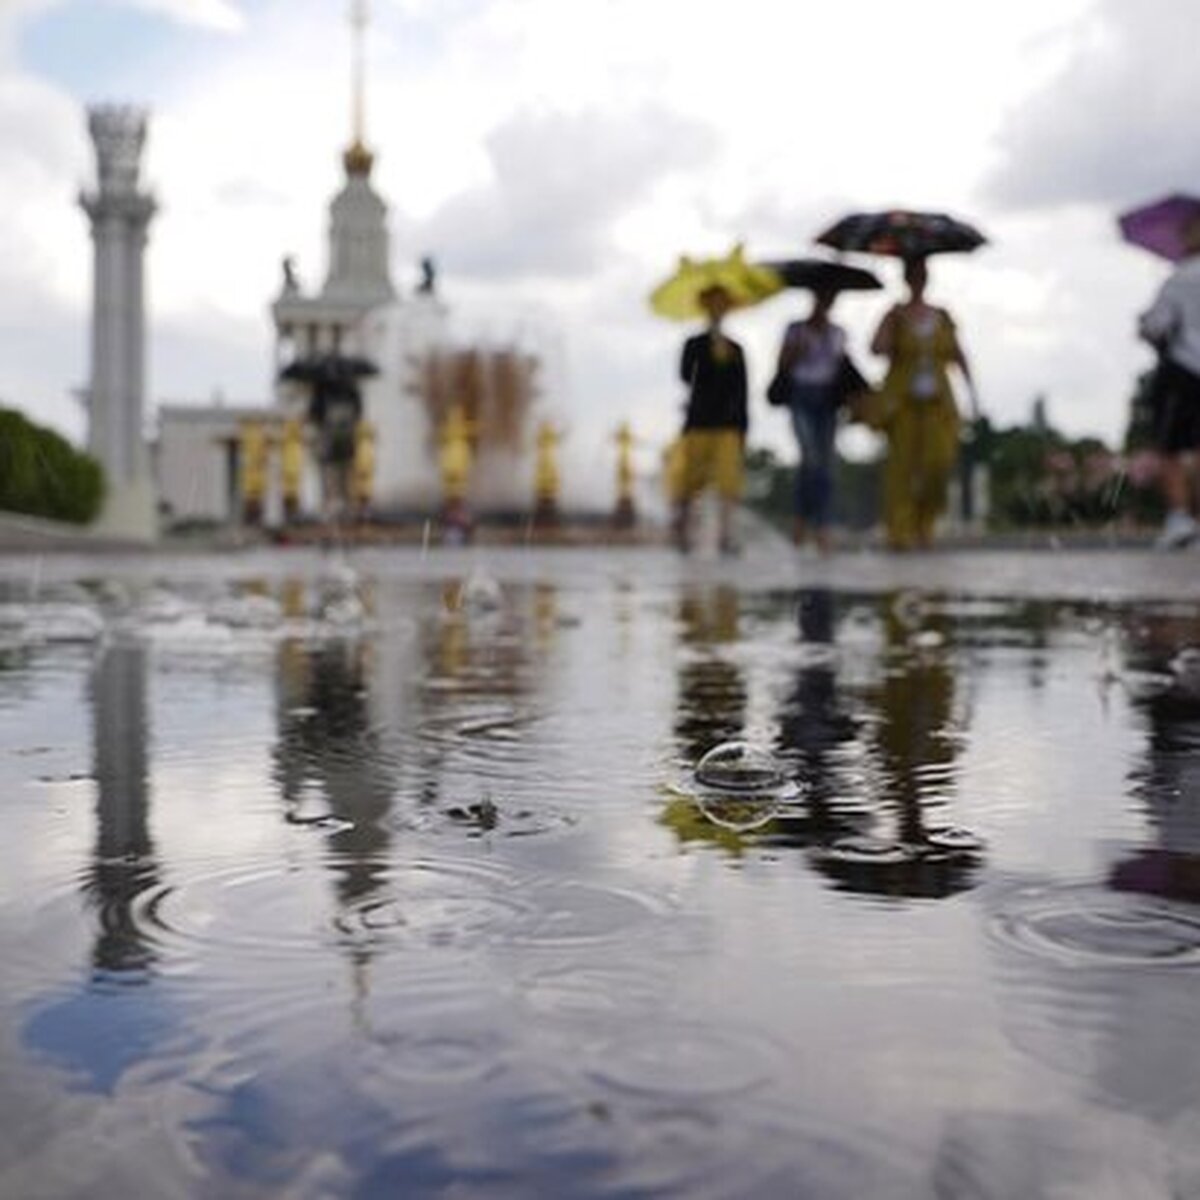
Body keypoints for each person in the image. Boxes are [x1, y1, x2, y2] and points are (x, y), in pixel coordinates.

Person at [869, 257, 976, 550]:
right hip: (902, 404)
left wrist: (972, 392)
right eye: (914, 274)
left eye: (922, 274)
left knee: (938, 466)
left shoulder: (942, 315)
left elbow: (958, 354)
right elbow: (875, 348)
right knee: (901, 469)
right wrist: (890, 330)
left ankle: (925, 526)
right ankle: (899, 532)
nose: (918, 279)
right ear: (906, 278)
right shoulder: (895, 313)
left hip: (938, 403)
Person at [1138, 213, 1200, 548]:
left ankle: (1179, 517)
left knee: (1171, 450)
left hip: (1184, 371)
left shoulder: (1179, 279)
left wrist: (1144, 323)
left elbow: (1156, 327)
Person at [674, 284, 748, 555]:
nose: (718, 309)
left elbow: (742, 391)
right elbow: (684, 376)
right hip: (699, 422)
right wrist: (709, 348)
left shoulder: (736, 349)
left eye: (722, 304)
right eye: (713, 304)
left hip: (727, 425)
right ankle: (683, 535)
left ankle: (726, 537)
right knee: (690, 483)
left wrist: (742, 429)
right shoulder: (694, 344)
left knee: (729, 483)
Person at [775, 286, 848, 552]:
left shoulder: (838, 333)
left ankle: (817, 526)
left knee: (825, 464)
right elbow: (782, 364)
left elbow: (842, 371)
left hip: (827, 401)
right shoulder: (795, 329)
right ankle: (807, 525)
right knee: (810, 458)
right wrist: (798, 350)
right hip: (801, 397)